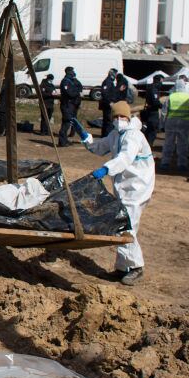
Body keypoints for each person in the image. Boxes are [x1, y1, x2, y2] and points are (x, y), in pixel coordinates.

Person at [71, 101, 155, 286]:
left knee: (126, 226)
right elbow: (99, 148)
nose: (119, 120)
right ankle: (122, 267)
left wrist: (105, 169)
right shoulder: (116, 134)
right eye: (115, 117)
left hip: (137, 188)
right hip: (125, 187)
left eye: (122, 117)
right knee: (121, 224)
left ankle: (135, 267)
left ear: (128, 117)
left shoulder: (133, 136)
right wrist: (85, 136)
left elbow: (125, 158)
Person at [160, 75, 189, 171]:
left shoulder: (170, 97)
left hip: (171, 122)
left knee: (168, 143)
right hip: (184, 123)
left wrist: (162, 125)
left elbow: (164, 113)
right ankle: (182, 164)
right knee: (183, 144)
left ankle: (165, 162)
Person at [57, 66, 83, 146]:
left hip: (72, 105)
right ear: (69, 72)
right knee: (66, 123)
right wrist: (77, 93)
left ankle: (65, 140)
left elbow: (80, 86)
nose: (73, 72)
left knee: (69, 123)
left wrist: (77, 90)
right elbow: (69, 93)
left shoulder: (72, 80)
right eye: (72, 71)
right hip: (67, 105)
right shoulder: (65, 81)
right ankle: (62, 142)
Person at [141, 75, 164, 147]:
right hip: (153, 112)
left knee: (148, 130)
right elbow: (155, 102)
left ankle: (146, 146)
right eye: (162, 81)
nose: (162, 83)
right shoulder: (154, 89)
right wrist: (162, 106)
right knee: (152, 131)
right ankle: (149, 148)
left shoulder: (149, 87)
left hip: (148, 111)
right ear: (159, 80)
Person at [98, 68, 118, 137]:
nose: (116, 76)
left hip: (109, 104)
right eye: (115, 74)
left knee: (107, 121)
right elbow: (104, 93)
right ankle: (107, 135)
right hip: (107, 105)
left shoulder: (110, 82)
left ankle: (105, 135)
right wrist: (109, 102)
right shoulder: (107, 81)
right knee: (108, 121)